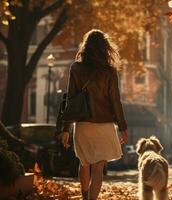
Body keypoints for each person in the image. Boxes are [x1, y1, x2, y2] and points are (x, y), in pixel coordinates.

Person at [60, 29, 128, 200]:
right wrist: (123, 127)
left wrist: (65, 128)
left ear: (86, 47)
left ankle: (84, 198)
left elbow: (71, 100)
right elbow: (115, 101)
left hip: (82, 124)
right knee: (98, 167)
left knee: (84, 163)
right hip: (104, 125)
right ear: (105, 48)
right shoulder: (110, 71)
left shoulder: (76, 68)